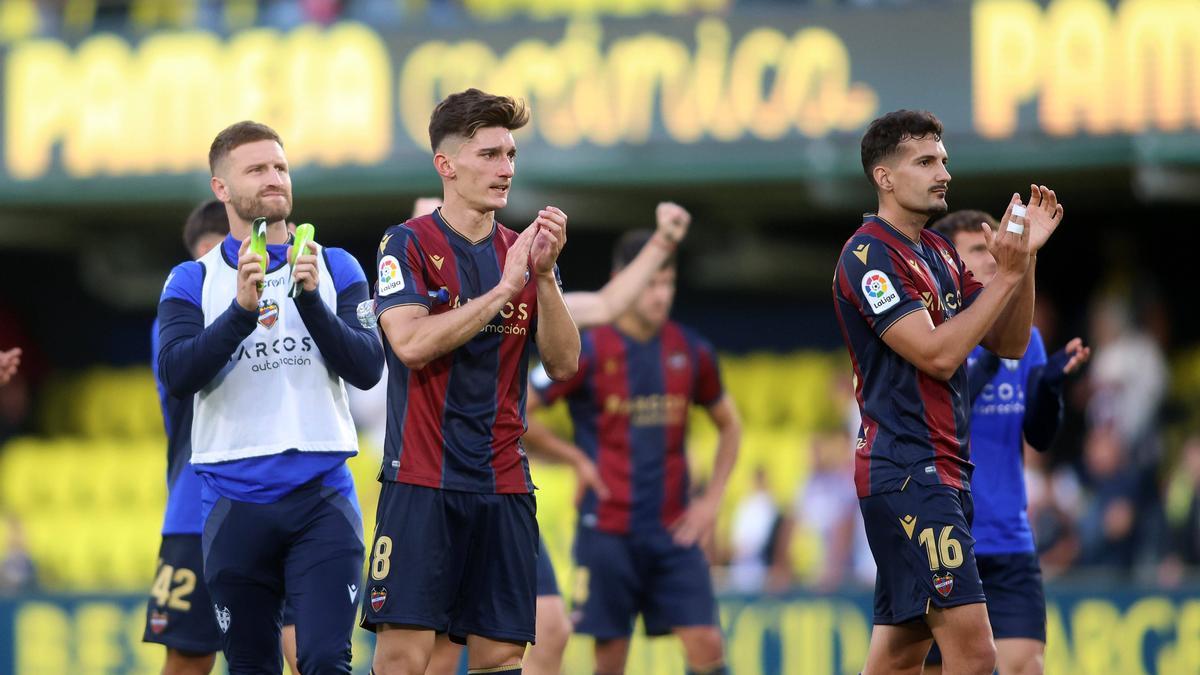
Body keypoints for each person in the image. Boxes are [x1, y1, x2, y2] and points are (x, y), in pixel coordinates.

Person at [832, 109, 1063, 675]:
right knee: (977, 652)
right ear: (885, 177)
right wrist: (1004, 277)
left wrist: (1022, 259)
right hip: (909, 471)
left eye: (944, 160)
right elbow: (937, 354)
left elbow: (1008, 341)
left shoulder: (938, 253)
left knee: (899, 656)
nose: (944, 173)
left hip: (944, 470)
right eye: (926, 161)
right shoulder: (869, 256)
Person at [361, 88, 580, 675]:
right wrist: (505, 291)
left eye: (510, 154)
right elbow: (408, 344)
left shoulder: (522, 254)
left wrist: (547, 279)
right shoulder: (405, 243)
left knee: (500, 656)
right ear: (446, 165)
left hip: (504, 485)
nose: (505, 168)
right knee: (405, 657)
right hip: (421, 482)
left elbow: (563, 365)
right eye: (488, 154)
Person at [421, 201, 691, 675]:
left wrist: (664, 239)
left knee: (548, 627)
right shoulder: (422, 282)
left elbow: (606, 303)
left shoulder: (523, 279)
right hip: (435, 479)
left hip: (501, 481)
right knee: (438, 647)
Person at [157, 121, 384, 673]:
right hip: (233, 501)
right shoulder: (191, 279)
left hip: (321, 499)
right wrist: (238, 313)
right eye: (256, 169)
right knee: (252, 665)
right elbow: (177, 374)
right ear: (221, 187)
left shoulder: (334, 266)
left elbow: (368, 367)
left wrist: (310, 302)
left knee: (327, 660)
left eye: (280, 167)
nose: (274, 178)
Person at [524, 229, 741, 675]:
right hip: (607, 531)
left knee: (707, 645)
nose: (660, 295)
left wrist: (710, 502)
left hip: (673, 532)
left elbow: (730, 425)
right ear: (623, 279)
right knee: (610, 661)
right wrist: (576, 459)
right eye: (650, 283)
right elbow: (521, 410)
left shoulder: (691, 350)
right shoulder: (585, 347)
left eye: (668, 283)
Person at [921, 209, 1090, 675]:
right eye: (979, 248)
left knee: (1024, 666)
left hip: (1011, 540)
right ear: (945, 262)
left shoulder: (1027, 340)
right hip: (948, 540)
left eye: (995, 245)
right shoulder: (931, 338)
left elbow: (1039, 435)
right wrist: (999, 353)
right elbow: (951, 409)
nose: (994, 255)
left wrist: (1049, 387)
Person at [142, 200, 228, 675]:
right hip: (195, 507)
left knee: (302, 647)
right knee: (189, 656)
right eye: (205, 263)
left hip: (277, 501)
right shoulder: (175, 319)